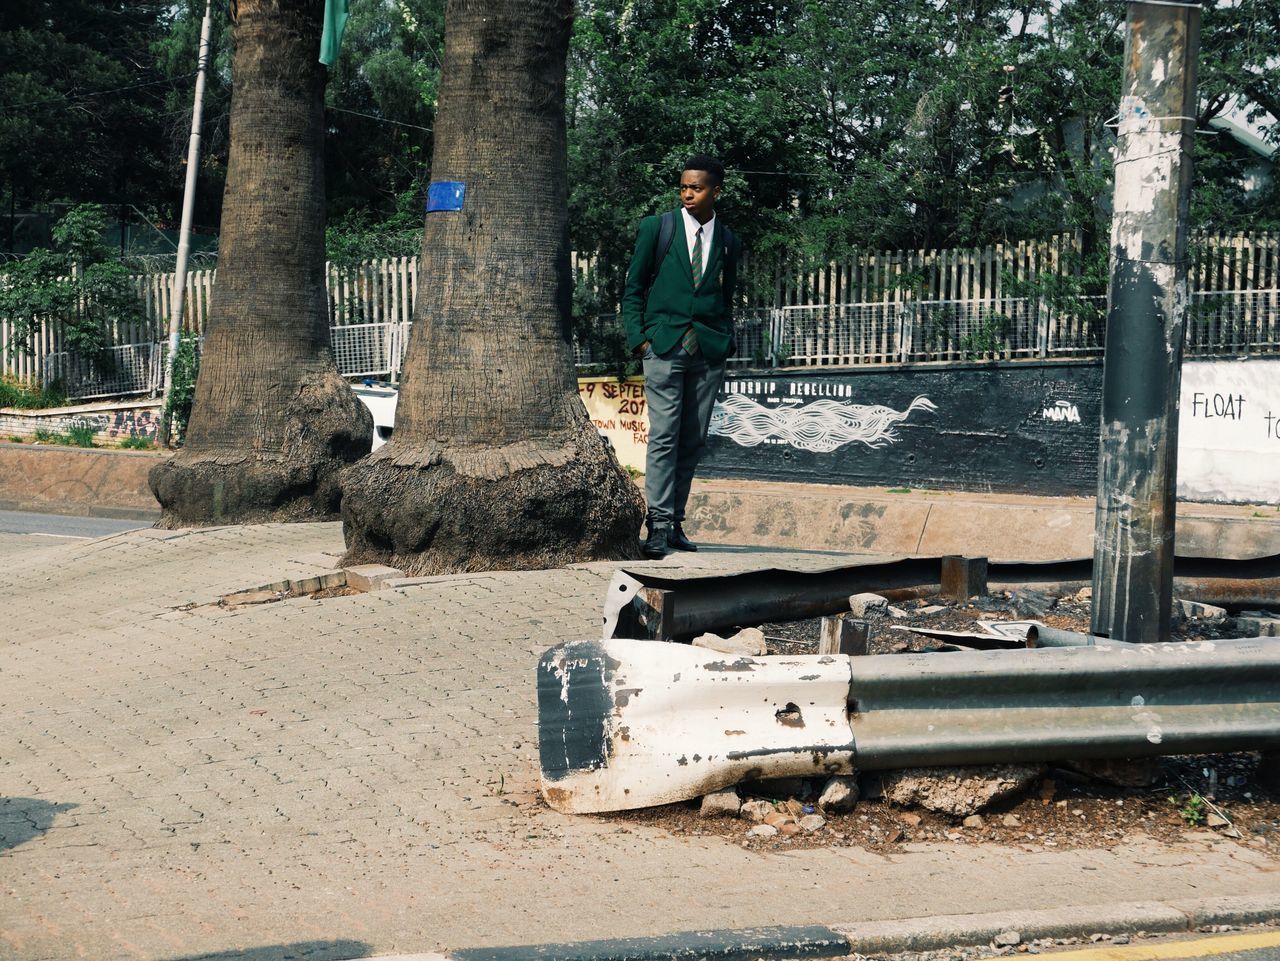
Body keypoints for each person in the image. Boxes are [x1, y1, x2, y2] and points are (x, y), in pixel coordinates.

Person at [621, 155, 739, 559]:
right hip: (664, 346)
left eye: (697, 187)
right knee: (665, 434)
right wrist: (640, 340)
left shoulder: (726, 239)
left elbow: (726, 297)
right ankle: (656, 522)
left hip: (707, 351)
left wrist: (726, 340)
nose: (688, 193)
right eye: (684, 186)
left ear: (715, 191)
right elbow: (634, 286)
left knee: (693, 439)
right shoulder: (659, 228)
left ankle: (675, 522)